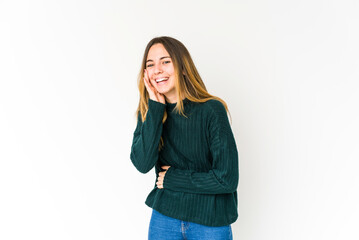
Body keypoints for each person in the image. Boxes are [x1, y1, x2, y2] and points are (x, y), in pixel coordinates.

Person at [130, 36, 239, 240]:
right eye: (150, 64)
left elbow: (227, 179)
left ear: (182, 67)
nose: (157, 69)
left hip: (210, 221)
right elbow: (143, 164)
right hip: (165, 218)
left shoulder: (211, 110)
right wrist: (155, 108)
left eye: (165, 61)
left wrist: (174, 178)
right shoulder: (149, 113)